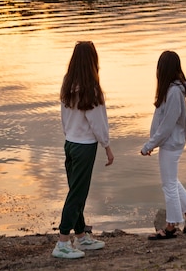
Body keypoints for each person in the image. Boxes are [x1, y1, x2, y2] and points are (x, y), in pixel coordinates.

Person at [52, 41, 114, 259]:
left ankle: (81, 235)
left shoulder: (67, 84)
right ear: (93, 61)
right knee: (77, 194)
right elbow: (98, 123)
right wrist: (107, 146)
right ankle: (62, 242)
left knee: (75, 191)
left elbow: (63, 118)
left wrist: (69, 136)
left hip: (69, 143)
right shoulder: (92, 89)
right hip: (85, 147)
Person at [141, 50, 186, 239]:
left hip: (171, 143)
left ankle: (171, 226)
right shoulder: (171, 90)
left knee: (168, 185)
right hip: (170, 142)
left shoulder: (174, 92)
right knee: (172, 181)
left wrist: (150, 144)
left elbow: (167, 125)